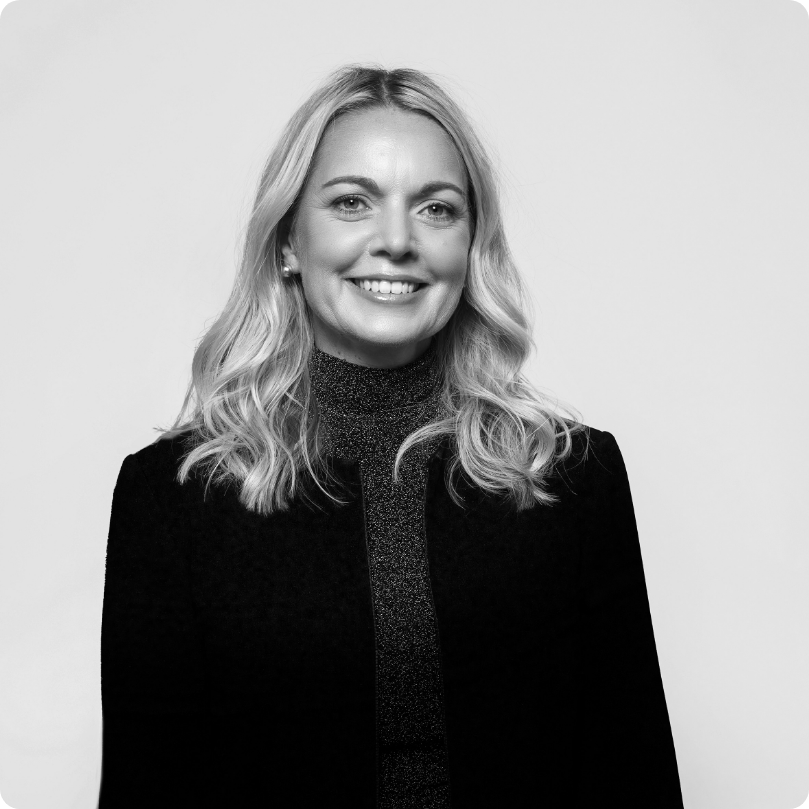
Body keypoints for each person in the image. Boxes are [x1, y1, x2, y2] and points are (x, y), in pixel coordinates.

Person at [98, 65, 684, 808]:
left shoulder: (570, 476)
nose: (398, 241)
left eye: (437, 209)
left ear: (470, 246)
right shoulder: (172, 498)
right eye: (351, 202)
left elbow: (634, 778)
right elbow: (146, 790)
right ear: (287, 242)